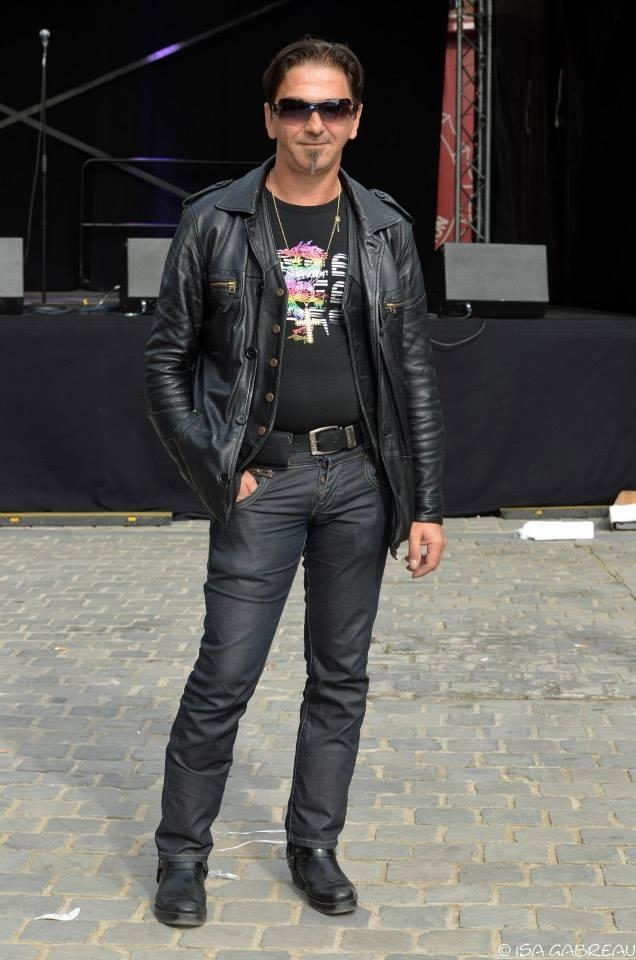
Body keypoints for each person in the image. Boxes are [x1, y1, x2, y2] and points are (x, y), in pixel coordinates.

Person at [144, 35, 446, 927]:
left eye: (332, 107)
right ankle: (182, 856)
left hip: (359, 482)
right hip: (263, 481)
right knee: (224, 675)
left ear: (356, 119)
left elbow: (414, 374)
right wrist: (216, 466)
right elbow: (164, 363)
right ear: (270, 117)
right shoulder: (217, 221)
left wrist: (426, 503)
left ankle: (314, 845)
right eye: (297, 107)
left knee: (340, 678)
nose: (315, 123)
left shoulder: (384, 227)